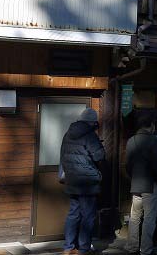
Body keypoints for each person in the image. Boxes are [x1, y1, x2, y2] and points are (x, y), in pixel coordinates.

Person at [60, 108, 105, 255]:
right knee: (88, 216)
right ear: (92, 121)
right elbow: (99, 156)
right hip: (87, 182)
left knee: (73, 213)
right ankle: (84, 248)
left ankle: (68, 247)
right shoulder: (90, 135)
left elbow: (63, 156)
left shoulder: (68, 134)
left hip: (72, 180)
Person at [125, 112, 157, 255]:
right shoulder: (154, 142)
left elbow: (127, 165)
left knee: (135, 217)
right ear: (151, 125)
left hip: (136, 184)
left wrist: (133, 177)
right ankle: (146, 249)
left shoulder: (131, 141)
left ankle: (132, 247)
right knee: (149, 218)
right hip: (151, 185)